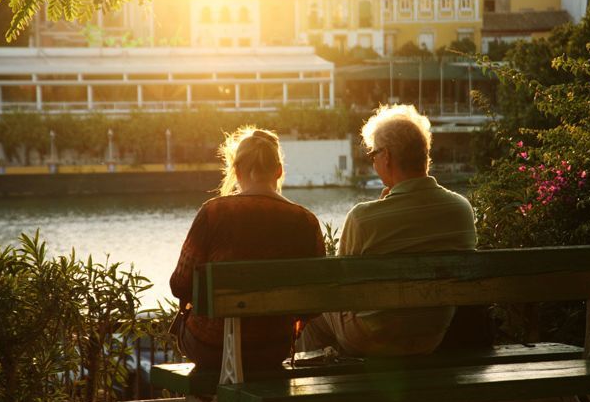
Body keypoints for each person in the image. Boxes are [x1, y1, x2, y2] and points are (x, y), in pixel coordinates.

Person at [299, 104, 477, 356]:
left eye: (373, 155)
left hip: (372, 339)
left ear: (387, 157)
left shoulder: (363, 218)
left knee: (314, 308)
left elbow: (340, 289)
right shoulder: (461, 209)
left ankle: (321, 386)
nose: (372, 161)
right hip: (431, 337)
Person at [170, 127, 325, 369]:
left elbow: (180, 284)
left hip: (211, 346)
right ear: (279, 170)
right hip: (272, 347)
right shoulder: (305, 220)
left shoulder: (213, 212)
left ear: (237, 170)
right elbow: (315, 299)